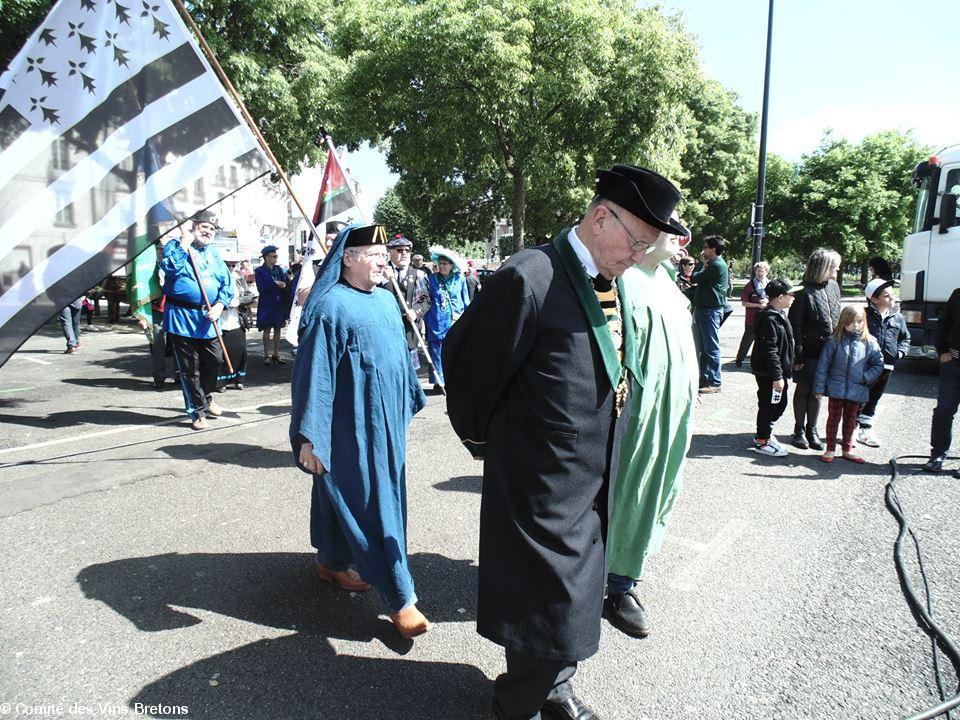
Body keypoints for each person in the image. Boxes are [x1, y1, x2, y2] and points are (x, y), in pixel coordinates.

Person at [443, 164, 686, 720]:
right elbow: (470, 369)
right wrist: (494, 446)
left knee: (574, 600)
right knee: (545, 604)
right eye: (637, 243)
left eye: (647, 247)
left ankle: (555, 687)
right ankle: (519, 704)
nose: (639, 257)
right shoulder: (528, 276)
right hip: (540, 483)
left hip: (592, 478)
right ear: (601, 218)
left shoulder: (609, 275)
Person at [289, 223, 429, 639]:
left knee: (341, 492)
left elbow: (399, 359)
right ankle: (401, 598)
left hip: (388, 426)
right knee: (376, 503)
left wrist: (410, 394)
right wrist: (311, 438)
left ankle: (332, 562)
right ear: (347, 258)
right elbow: (314, 377)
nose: (384, 261)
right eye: (375, 254)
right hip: (351, 430)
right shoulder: (330, 308)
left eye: (385, 255)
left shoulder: (386, 300)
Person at [604, 215, 697, 640]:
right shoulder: (621, 279)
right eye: (672, 228)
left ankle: (625, 575)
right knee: (625, 493)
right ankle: (614, 585)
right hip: (634, 416)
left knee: (654, 493)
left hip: (671, 415)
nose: (683, 236)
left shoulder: (667, 281)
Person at [160, 210, 234, 431]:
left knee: (215, 361)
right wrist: (184, 243)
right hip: (181, 318)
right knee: (189, 369)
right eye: (204, 226)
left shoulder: (214, 254)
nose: (208, 231)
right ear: (193, 227)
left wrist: (220, 305)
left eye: (212, 229)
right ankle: (197, 411)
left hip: (208, 318)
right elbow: (170, 268)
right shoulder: (176, 246)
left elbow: (227, 283)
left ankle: (206, 396)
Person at [813, 305, 884, 463]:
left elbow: (878, 364)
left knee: (851, 421)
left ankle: (847, 449)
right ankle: (830, 448)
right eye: (852, 322)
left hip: (857, 389)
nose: (856, 325)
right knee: (833, 419)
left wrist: (865, 377)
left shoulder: (870, 342)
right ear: (843, 322)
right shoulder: (834, 341)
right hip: (836, 388)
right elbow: (823, 365)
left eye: (859, 321)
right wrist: (819, 387)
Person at [788, 248, 842, 450]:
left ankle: (812, 430)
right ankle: (799, 430)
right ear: (823, 267)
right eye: (834, 267)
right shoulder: (803, 291)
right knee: (804, 389)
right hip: (808, 350)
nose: (837, 270)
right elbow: (795, 325)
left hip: (828, 350)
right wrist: (799, 355)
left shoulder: (833, 286)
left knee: (818, 391)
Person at [856, 278, 909, 447]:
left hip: (886, 366)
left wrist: (899, 353)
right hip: (865, 366)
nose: (892, 298)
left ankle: (866, 429)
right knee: (859, 398)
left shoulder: (897, 318)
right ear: (874, 299)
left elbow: (905, 339)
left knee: (874, 398)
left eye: (892, 294)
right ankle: (851, 429)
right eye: (887, 296)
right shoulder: (862, 316)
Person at [748, 279, 796, 458]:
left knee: (778, 404)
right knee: (769, 405)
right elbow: (769, 350)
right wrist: (777, 376)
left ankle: (765, 432)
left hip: (778, 371)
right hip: (769, 373)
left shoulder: (779, 314)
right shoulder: (769, 319)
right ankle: (762, 440)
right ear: (781, 297)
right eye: (791, 294)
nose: (794, 298)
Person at [380, 235, 431, 372]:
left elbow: (426, 300)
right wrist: (385, 282)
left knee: (410, 375)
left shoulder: (419, 275)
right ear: (389, 252)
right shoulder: (379, 273)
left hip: (409, 332)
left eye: (407, 250)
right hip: (385, 332)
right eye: (399, 250)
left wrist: (415, 312)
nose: (404, 253)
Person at [923, 287, 960, 473]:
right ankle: (937, 454)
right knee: (944, 410)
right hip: (954, 364)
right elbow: (944, 323)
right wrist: (942, 351)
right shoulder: (958, 294)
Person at [423, 246, 470, 392]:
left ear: (452, 265)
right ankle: (439, 382)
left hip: (456, 321)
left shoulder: (460, 279)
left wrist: (467, 319)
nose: (442, 266)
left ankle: (455, 379)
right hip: (436, 321)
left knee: (455, 351)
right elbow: (426, 300)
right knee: (437, 352)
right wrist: (427, 319)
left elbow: (466, 300)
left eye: (445, 263)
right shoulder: (432, 279)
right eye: (440, 263)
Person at [690, 235, 729, 393]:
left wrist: (700, 263)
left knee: (711, 347)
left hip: (710, 311)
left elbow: (694, 278)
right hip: (705, 310)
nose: (703, 251)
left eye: (705, 247)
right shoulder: (713, 264)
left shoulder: (717, 265)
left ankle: (714, 382)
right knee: (704, 347)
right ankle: (705, 379)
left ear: (713, 249)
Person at [217, 252, 255, 391]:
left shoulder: (239, 278)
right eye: (228, 265)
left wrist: (238, 301)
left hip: (237, 319)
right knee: (221, 353)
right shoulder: (216, 277)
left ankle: (239, 379)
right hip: (220, 319)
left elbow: (249, 296)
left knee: (240, 349)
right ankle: (221, 381)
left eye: (233, 265)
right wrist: (223, 304)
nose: (231, 268)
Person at [254, 245, 289, 366]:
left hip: (278, 302)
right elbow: (261, 288)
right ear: (266, 257)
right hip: (266, 303)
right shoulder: (259, 271)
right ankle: (266, 355)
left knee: (278, 329)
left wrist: (283, 284)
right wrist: (275, 284)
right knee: (267, 330)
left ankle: (276, 354)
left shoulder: (279, 269)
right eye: (273, 256)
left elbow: (285, 281)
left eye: (276, 256)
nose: (275, 258)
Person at [735, 261, 770, 367]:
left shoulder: (770, 285)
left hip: (766, 318)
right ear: (755, 271)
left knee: (765, 341)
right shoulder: (749, 286)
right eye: (758, 271)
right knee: (747, 340)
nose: (760, 273)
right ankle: (740, 359)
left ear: (766, 272)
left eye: (762, 271)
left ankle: (762, 362)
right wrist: (758, 305)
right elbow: (744, 303)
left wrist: (767, 301)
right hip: (752, 319)